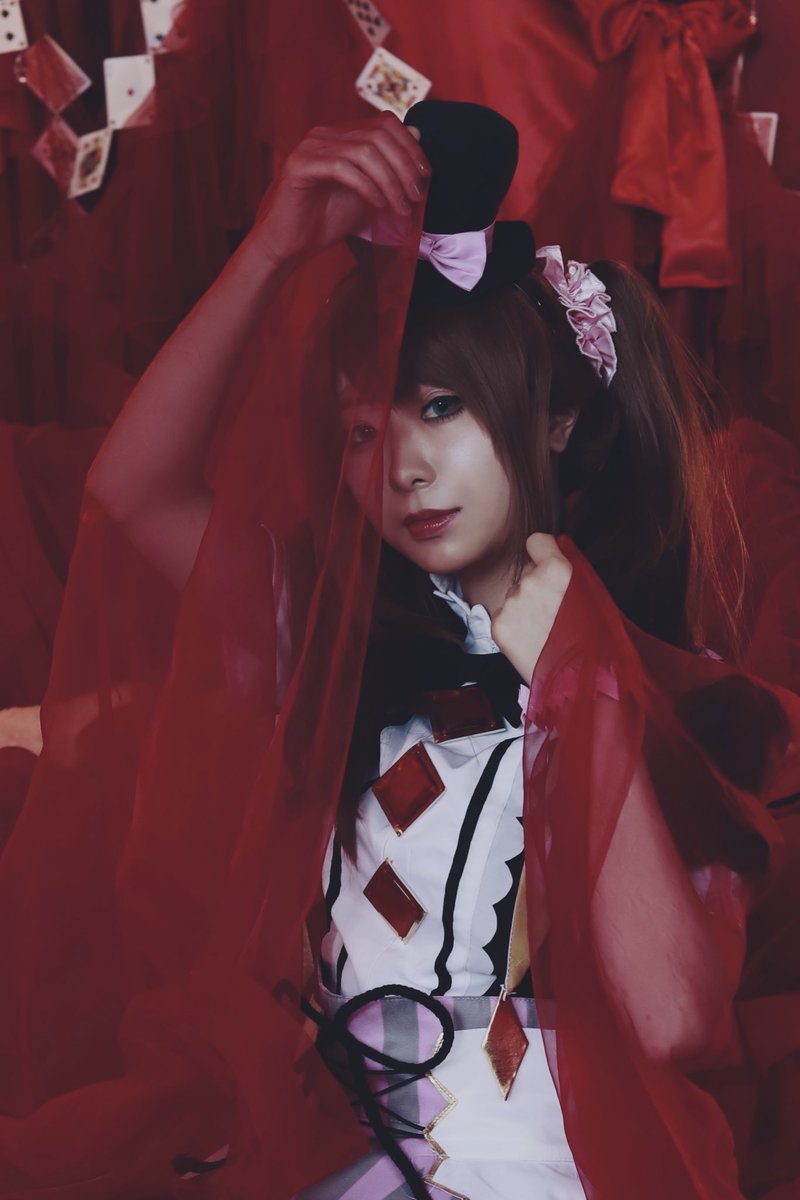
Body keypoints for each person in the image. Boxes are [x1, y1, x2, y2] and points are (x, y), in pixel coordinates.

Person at [2, 101, 798, 1200]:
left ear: (557, 419)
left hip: (538, 1161)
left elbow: (673, 1019)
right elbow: (128, 492)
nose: (404, 468)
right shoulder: (333, 632)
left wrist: (580, 683)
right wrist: (271, 250)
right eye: (363, 430)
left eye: (442, 408)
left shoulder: (679, 692)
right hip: (330, 1144)